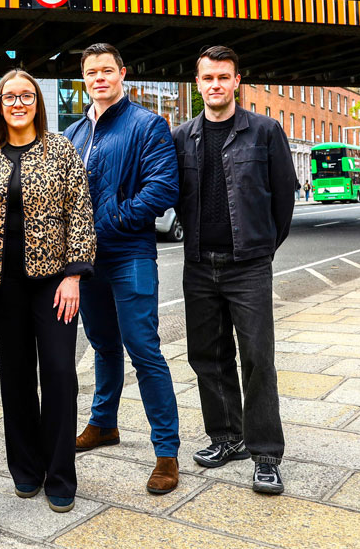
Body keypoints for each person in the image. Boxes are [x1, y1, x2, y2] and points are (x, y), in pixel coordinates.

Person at [173, 45, 295, 495]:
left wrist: (261, 249)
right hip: (199, 264)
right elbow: (178, 197)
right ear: (197, 83)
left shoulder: (265, 131)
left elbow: (283, 200)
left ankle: (266, 455)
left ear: (237, 81)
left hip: (248, 265)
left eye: (224, 77)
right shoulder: (182, 136)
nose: (216, 85)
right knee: (207, 356)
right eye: (208, 78)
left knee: (258, 359)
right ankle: (227, 437)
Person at [63, 43, 181, 495]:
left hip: (130, 252)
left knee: (143, 348)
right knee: (103, 345)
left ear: (122, 74)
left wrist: (111, 220)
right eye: (91, 72)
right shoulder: (73, 133)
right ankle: (103, 423)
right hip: (86, 260)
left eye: (107, 70)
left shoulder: (147, 124)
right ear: (84, 78)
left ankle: (166, 453)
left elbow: (163, 188)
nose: (99, 78)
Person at [0, 70, 96, 514]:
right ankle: (26, 470)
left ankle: (60, 475)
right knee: (15, 380)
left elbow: (80, 212)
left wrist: (74, 275)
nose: (18, 103)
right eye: (10, 97)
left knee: (59, 375)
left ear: (37, 102)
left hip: (54, 284)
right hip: (1, 285)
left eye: (26, 96)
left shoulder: (60, 149)